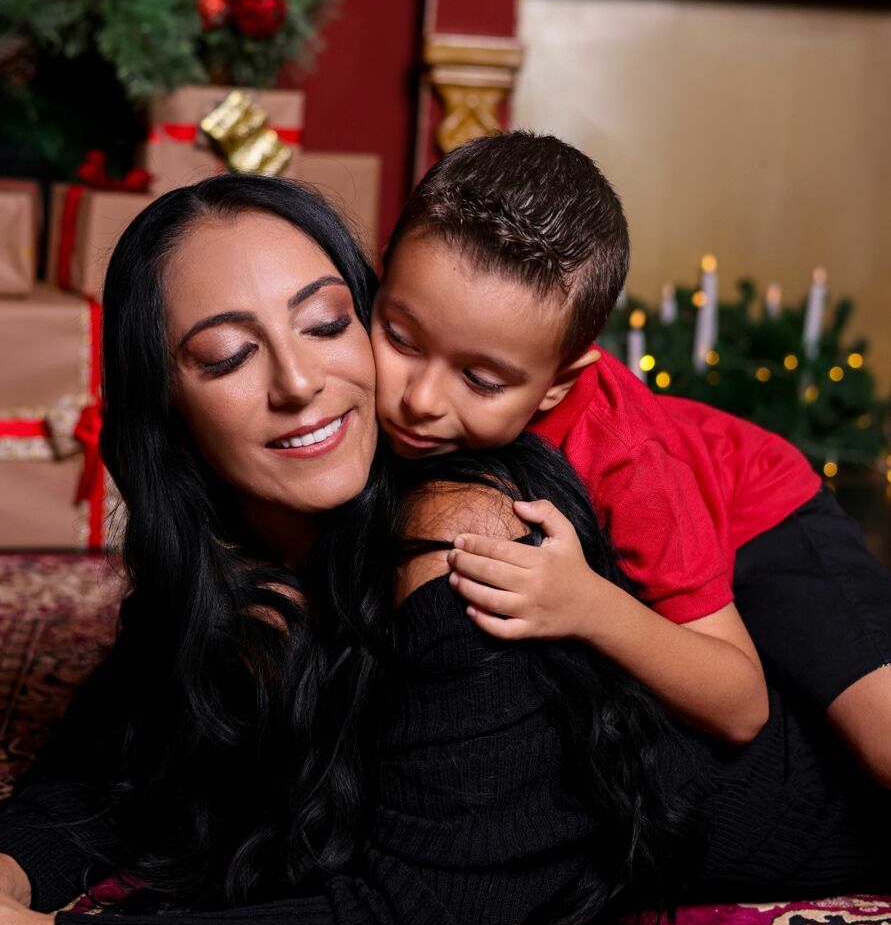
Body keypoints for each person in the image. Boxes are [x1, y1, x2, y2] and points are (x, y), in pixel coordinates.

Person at [0, 175, 889, 925]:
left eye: (326, 323)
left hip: (836, 803)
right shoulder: (235, 548)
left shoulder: (463, 541)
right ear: (165, 407)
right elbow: (116, 753)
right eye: (228, 356)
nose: (299, 383)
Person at [373, 132, 891, 782]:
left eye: (479, 380)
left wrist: (589, 605)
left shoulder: (630, 462)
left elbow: (740, 704)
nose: (419, 399)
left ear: (558, 383)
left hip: (763, 515)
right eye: (400, 337)